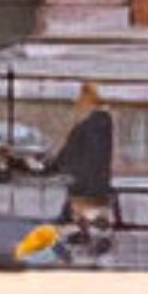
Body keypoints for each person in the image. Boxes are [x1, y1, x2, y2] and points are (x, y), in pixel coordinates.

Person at [43, 82, 118, 258]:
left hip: (85, 185)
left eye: (80, 98)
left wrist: (56, 166)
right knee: (74, 215)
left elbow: (81, 154)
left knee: (75, 214)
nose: (77, 102)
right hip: (88, 184)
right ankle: (84, 238)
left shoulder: (94, 124)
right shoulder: (96, 123)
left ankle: (81, 240)